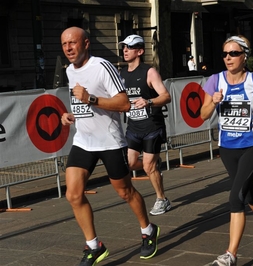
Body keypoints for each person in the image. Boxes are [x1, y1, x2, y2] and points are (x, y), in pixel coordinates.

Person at [60, 27, 160, 265]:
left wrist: (90, 99)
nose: (68, 49)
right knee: (73, 194)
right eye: (64, 44)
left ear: (86, 44)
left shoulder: (102, 66)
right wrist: (71, 114)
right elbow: (82, 103)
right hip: (84, 141)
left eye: (73, 43)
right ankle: (94, 246)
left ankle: (148, 231)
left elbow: (124, 104)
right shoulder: (69, 71)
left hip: (109, 141)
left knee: (125, 192)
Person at [200, 35, 253, 266]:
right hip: (227, 148)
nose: (228, 58)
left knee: (236, 198)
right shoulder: (215, 80)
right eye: (225, 54)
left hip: (251, 145)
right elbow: (203, 115)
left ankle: (230, 255)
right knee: (248, 191)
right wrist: (213, 102)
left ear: (244, 56)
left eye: (234, 53)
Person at [119, 34, 172, 216]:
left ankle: (162, 199)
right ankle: (154, 168)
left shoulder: (149, 72)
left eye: (130, 47)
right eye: (124, 47)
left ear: (140, 51)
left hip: (152, 126)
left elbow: (166, 96)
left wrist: (148, 102)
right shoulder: (122, 74)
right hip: (133, 127)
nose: (125, 50)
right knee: (131, 163)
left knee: (148, 166)